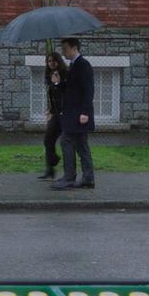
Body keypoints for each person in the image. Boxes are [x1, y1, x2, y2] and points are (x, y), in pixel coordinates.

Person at [50, 38, 96, 190]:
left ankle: (69, 178)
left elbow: (88, 91)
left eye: (65, 49)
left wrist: (85, 112)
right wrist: (57, 83)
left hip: (78, 115)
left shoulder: (83, 65)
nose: (63, 52)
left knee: (66, 141)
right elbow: (70, 89)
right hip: (73, 114)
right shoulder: (73, 65)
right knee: (82, 146)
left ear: (74, 48)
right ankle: (88, 179)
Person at [38, 51, 67, 180]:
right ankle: (50, 169)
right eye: (49, 61)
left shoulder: (64, 74)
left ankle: (64, 170)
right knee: (48, 140)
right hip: (55, 113)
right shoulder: (49, 75)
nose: (51, 63)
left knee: (65, 142)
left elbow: (64, 93)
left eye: (54, 61)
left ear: (58, 61)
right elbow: (52, 96)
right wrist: (50, 110)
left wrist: (57, 83)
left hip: (64, 113)